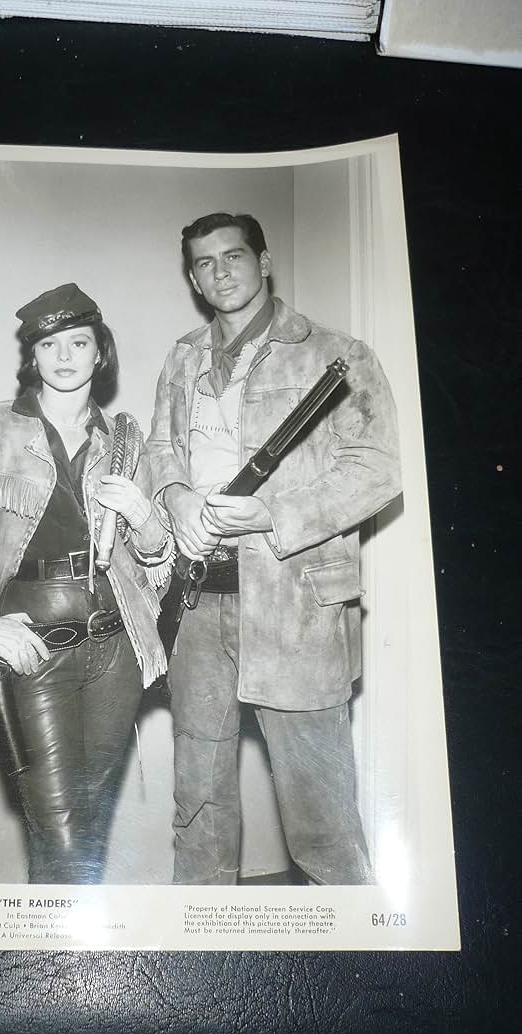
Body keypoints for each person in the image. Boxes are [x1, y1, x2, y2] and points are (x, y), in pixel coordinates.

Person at [147, 212, 401, 886]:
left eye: (233, 256)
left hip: (295, 608)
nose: (219, 272)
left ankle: (357, 977)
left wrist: (271, 512)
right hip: (197, 603)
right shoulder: (182, 356)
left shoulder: (334, 354)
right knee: (197, 807)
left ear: (264, 263)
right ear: (192, 276)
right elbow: (161, 451)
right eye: (203, 262)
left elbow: (377, 469)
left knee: (322, 823)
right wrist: (176, 504)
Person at [0, 283, 171, 884]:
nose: (65, 355)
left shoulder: (125, 443)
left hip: (116, 647)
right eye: (50, 344)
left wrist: (145, 517)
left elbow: (157, 561)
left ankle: (53, 958)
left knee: (87, 821)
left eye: (79, 342)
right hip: (31, 647)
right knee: (61, 823)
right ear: (33, 355)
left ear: (101, 354)